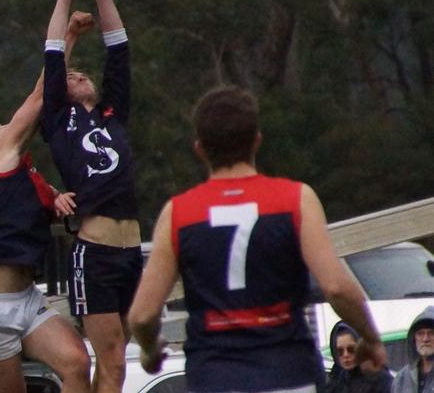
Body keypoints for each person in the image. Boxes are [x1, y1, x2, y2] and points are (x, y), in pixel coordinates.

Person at [127, 86, 387, 393]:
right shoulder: (295, 199)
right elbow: (337, 288)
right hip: (290, 375)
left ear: (199, 149)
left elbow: (142, 315)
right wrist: (370, 337)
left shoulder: (179, 213)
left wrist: (150, 349)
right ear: (257, 141)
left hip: (215, 378)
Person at [0, 26, 91, 392]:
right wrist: (70, 37)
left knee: (77, 363)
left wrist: (58, 201)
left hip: (26, 298)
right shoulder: (0, 160)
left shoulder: (25, 178)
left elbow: (46, 209)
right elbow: (38, 98)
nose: (7, 127)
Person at [41, 0, 143, 393]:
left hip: (131, 249)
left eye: (84, 73)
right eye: (73, 73)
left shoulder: (111, 114)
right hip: (96, 252)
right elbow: (51, 57)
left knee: (117, 365)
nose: (79, 75)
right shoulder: (58, 122)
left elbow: (119, 48)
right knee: (113, 360)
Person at [326, 321, 392, 393]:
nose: (346, 355)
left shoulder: (378, 377)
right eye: (340, 351)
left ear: (360, 347)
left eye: (351, 349)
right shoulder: (337, 378)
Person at [392, 306, 434, 393]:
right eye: (420, 334)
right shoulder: (402, 378)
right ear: (414, 339)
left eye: (432, 333)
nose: (425, 339)